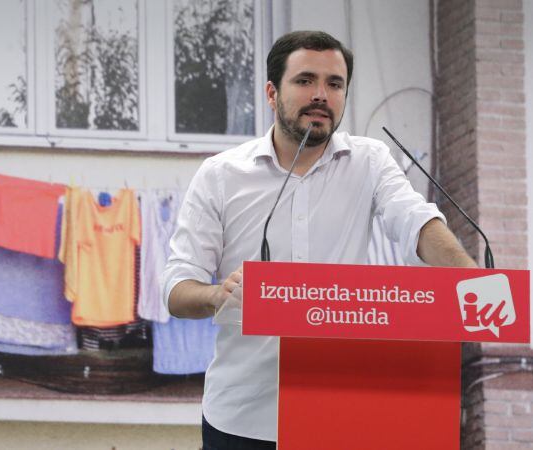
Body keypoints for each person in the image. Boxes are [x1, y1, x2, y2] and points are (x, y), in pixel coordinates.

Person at [160, 30, 476, 449]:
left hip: (339, 410)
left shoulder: (370, 161)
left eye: (334, 83)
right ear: (272, 93)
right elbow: (176, 289)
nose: (321, 95)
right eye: (305, 80)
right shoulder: (220, 175)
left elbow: (417, 223)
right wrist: (218, 295)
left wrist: (473, 280)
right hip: (242, 416)